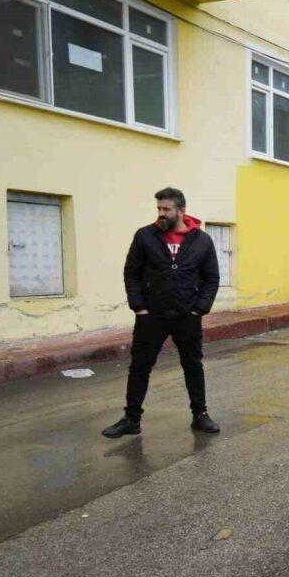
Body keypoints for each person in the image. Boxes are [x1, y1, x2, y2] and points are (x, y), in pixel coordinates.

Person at [102, 187, 221, 438]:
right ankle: (131, 419)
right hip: (152, 315)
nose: (161, 213)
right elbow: (131, 273)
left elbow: (211, 278)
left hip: (187, 315)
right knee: (139, 366)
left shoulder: (201, 240)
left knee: (192, 365)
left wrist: (200, 309)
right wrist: (139, 307)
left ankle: (200, 415)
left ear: (181, 211)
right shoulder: (145, 236)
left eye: (166, 209)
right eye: (159, 208)